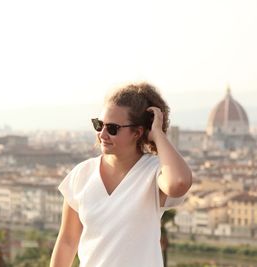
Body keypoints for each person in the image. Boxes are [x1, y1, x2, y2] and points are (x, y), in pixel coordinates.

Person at [50, 82, 193, 267]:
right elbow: (67, 242)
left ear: (138, 132)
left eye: (112, 128)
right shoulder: (82, 175)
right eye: (99, 125)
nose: (102, 134)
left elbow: (179, 183)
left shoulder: (153, 172)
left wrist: (158, 134)